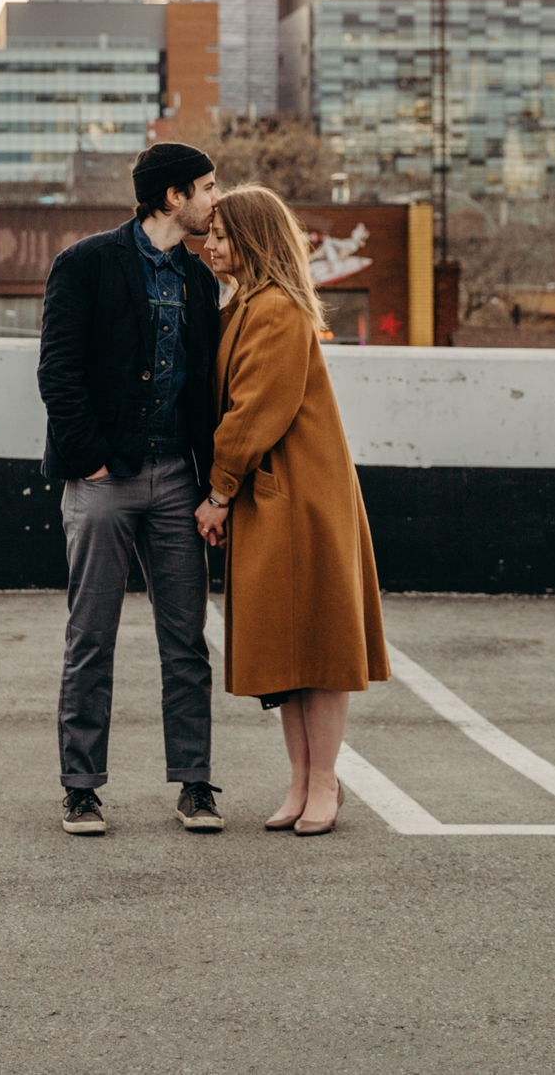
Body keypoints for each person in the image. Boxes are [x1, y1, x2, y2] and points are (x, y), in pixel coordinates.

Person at [37, 142, 227, 837]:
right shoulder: (85, 264)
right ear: (171, 196)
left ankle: (196, 785)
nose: (216, 198)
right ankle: (81, 788)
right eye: (206, 187)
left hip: (179, 479)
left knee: (187, 640)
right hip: (103, 481)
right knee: (91, 637)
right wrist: (88, 464)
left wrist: (213, 484)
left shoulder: (201, 280)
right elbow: (58, 372)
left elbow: (209, 389)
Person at [194, 185, 389, 836]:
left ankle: (324, 783)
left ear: (251, 240)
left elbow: (256, 412)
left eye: (221, 234)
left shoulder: (273, 310)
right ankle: (304, 782)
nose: (210, 244)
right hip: (281, 496)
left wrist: (219, 493)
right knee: (292, 647)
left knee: (318, 648)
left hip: (298, 499)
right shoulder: (252, 305)